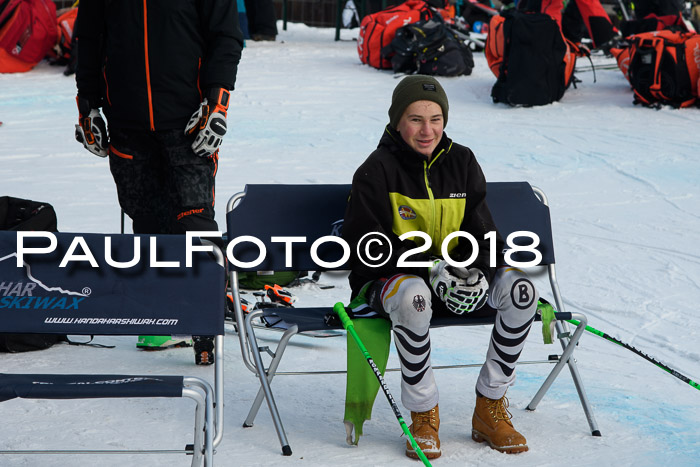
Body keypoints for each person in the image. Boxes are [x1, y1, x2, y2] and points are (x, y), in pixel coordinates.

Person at [342, 75, 538, 459]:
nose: (426, 129)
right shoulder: (376, 169)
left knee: (521, 290)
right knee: (414, 298)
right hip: (390, 283)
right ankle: (423, 414)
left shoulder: (462, 161)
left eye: (435, 118)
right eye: (415, 119)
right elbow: (366, 245)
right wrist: (428, 268)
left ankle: (490, 407)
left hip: (454, 279)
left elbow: (483, 232)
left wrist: (479, 271)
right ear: (397, 121)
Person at [74, 0, 244, 365]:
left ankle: (204, 325)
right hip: (126, 122)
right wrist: (86, 104)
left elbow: (226, 38)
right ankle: (157, 320)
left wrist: (218, 100)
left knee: (195, 221)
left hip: (189, 120)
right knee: (147, 220)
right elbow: (88, 38)